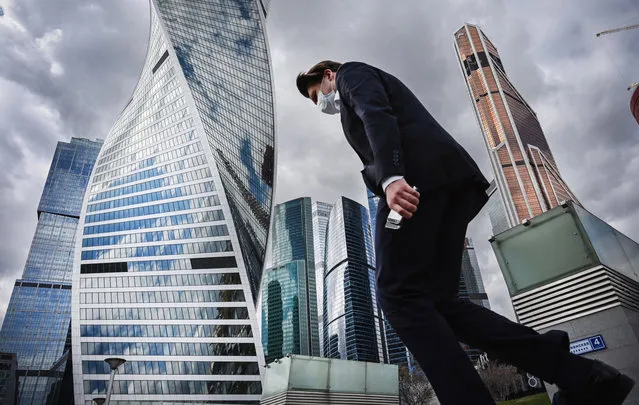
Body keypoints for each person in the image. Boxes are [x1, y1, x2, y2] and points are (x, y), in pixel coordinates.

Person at [295, 60, 635, 405]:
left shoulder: (351, 73)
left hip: (414, 180)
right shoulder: (350, 97)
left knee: (397, 295)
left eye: (314, 94)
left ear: (326, 75)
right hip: (447, 184)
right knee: (442, 304)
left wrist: (391, 177)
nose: (318, 103)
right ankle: (582, 375)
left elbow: (376, 113)